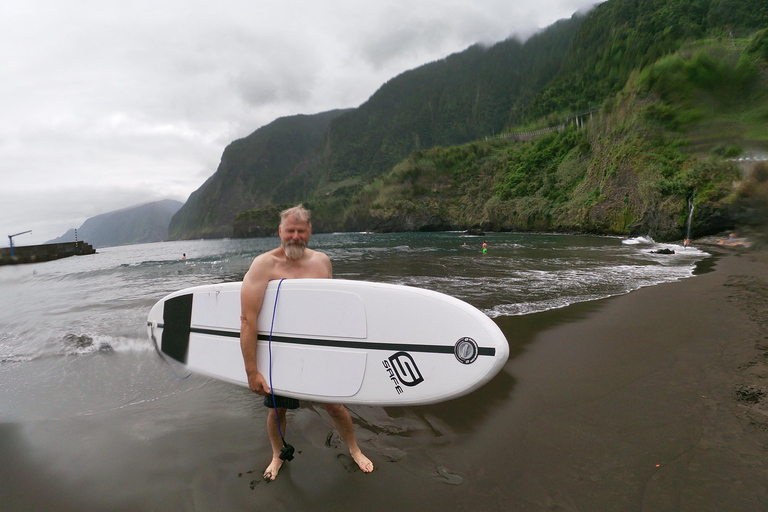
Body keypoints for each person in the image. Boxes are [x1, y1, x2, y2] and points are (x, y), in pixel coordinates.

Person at [239, 204, 374, 481]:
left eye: (301, 231)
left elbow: (332, 309)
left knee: (335, 406)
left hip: (317, 351)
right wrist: (251, 371)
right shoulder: (264, 265)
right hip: (281, 352)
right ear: (280, 231)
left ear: (310, 232)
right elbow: (248, 320)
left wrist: (341, 353)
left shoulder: (321, 262)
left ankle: (354, 448)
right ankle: (277, 455)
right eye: (290, 231)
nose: (295, 237)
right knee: (277, 409)